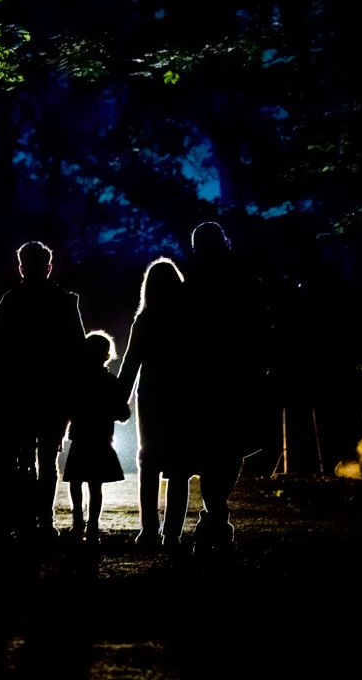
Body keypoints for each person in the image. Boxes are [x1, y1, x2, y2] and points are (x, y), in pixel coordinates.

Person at [182, 221, 269, 556]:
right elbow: (260, 324)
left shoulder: (193, 283)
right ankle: (216, 513)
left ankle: (215, 514)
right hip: (235, 374)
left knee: (213, 449)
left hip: (207, 377)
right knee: (229, 448)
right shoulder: (242, 279)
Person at [0, 241, 88, 539]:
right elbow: (78, 349)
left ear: (21, 267)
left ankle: (24, 518)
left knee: (22, 456)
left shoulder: (10, 301)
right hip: (54, 392)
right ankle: (45, 519)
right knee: (48, 458)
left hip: (18, 391)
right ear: (49, 267)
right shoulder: (65, 301)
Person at [116, 257, 194, 549]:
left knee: (148, 460)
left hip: (152, 396)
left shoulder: (146, 319)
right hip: (185, 395)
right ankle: (172, 533)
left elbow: (130, 362)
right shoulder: (190, 319)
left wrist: (118, 400)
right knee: (180, 464)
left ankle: (148, 530)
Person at [63, 330, 130, 543]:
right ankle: (92, 525)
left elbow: (68, 408)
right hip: (102, 438)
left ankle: (77, 524)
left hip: (81, 437)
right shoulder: (111, 382)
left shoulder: (75, 382)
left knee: (75, 482)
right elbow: (123, 414)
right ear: (106, 355)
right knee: (95, 485)